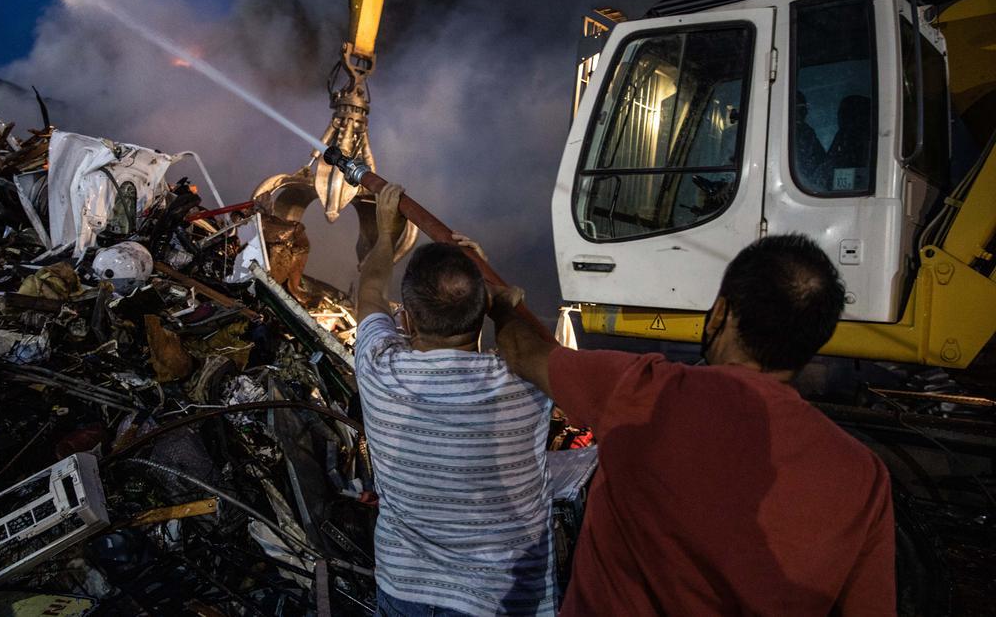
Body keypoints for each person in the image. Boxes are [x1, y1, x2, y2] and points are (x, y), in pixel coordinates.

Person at [491, 234, 895, 615]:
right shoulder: (863, 476)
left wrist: (502, 306)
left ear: (721, 311)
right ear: (815, 339)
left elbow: (522, 351)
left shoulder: (644, 390)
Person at [354, 183, 556, 616]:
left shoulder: (379, 371)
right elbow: (531, 344)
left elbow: (368, 292)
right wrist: (490, 291)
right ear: (482, 307)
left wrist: (386, 234)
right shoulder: (527, 384)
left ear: (405, 318)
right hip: (503, 599)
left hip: (406, 592)